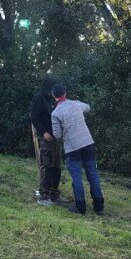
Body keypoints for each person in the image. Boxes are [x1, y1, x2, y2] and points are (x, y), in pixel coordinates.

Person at [50, 82, 105, 216]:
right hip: (87, 143)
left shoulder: (55, 113)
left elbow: (57, 135)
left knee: (77, 176)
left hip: (72, 147)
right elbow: (88, 107)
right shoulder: (76, 105)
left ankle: (80, 207)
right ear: (65, 93)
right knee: (92, 174)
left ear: (53, 96)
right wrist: (77, 102)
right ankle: (99, 206)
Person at [30, 75, 64, 205]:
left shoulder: (50, 100)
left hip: (55, 136)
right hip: (47, 136)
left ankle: (54, 193)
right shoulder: (39, 98)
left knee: (56, 165)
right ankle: (44, 195)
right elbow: (34, 116)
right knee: (47, 163)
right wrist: (43, 132)